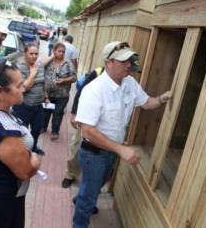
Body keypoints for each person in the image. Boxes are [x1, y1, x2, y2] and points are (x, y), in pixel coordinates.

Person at [73, 41, 172, 228]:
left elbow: (146, 103)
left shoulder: (130, 83)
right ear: (108, 62)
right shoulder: (94, 90)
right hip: (93, 153)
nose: (129, 64)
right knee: (89, 196)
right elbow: (87, 131)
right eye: (123, 61)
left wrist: (161, 99)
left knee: (97, 183)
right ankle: (80, 220)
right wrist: (121, 149)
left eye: (130, 59)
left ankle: (83, 196)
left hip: (111, 151)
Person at [0, 60, 41, 228]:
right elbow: (25, 171)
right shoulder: (4, 132)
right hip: (0, 205)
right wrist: (35, 159)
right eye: (19, 85)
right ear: (0, 91)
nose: (23, 89)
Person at [61, 67, 104, 189]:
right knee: (77, 146)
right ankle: (70, 174)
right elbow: (80, 93)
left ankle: (90, 181)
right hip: (88, 118)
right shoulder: (98, 72)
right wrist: (74, 113)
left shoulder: (126, 80)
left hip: (106, 123)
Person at [13, 43, 51, 156]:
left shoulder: (39, 64)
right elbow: (24, 88)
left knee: (37, 129)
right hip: (23, 106)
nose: (34, 56)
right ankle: (20, 152)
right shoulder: (19, 66)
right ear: (25, 54)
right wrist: (32, 73)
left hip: (38, 105)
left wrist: (46, 97)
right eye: (31, 54)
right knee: (22, 131)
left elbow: (42, 83)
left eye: (36, 54)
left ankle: (33, 148)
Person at [43, 42, 77, 140]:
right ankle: (43, 127)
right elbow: (40, 67)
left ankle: (55, 131)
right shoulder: (49, 61)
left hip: (62, 95)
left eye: (63, 52)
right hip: (47, 94)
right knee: (46, 112)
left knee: (58, 113)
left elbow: (74, 77)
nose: (61, 53)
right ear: (54, 51)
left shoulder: (68, 63)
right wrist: (52, 57)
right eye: (59, 51)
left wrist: (64, 80)